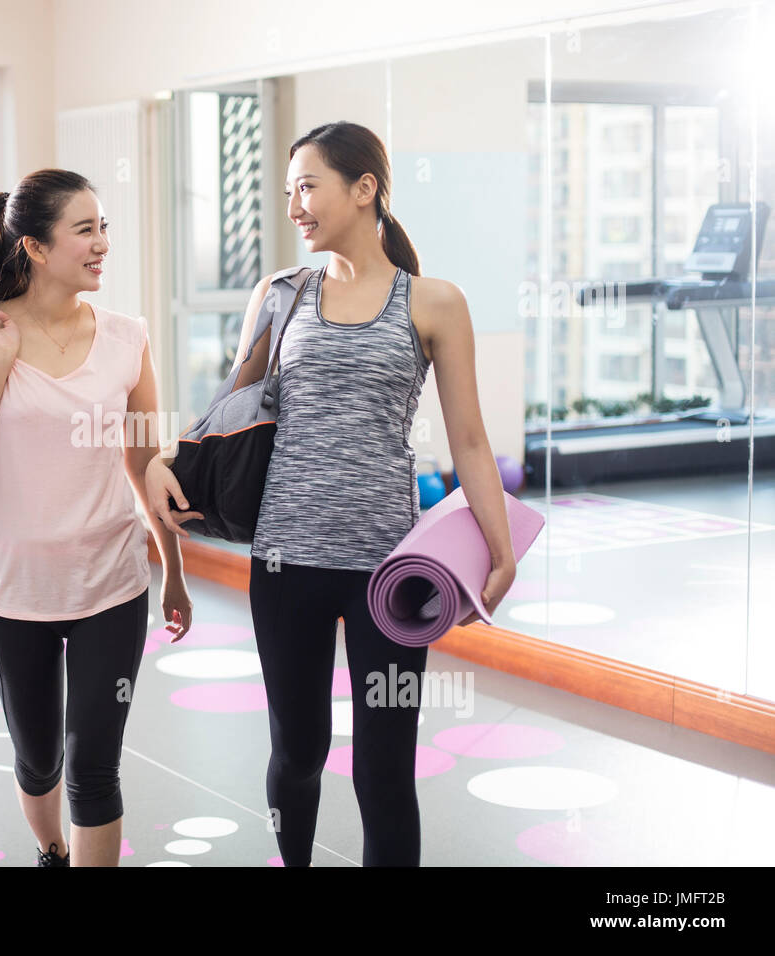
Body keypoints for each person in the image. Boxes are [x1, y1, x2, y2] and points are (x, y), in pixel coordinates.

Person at [145, 122, 517, 867]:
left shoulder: (435, 302)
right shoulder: (282, 295)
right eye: (289, 191)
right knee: (298, 755)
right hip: (289, 564)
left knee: (385, 768)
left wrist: (500, 550)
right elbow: (233, 407)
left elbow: (471, 440)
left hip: (391, 571)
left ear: (365, 188)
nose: (295, 206)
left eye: (307, 186)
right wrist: (163, 457)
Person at [0, 168, 194, 867]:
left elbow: (147, 467)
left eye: (104, 226)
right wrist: (4, 355)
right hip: (14, 587)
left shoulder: (126, 337)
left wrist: (172, 571)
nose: (103, 242)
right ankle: (52, 852)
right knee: (39, 758)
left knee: (94, 767)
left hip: (111, 582)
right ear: (37, 248)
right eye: (86, 229)